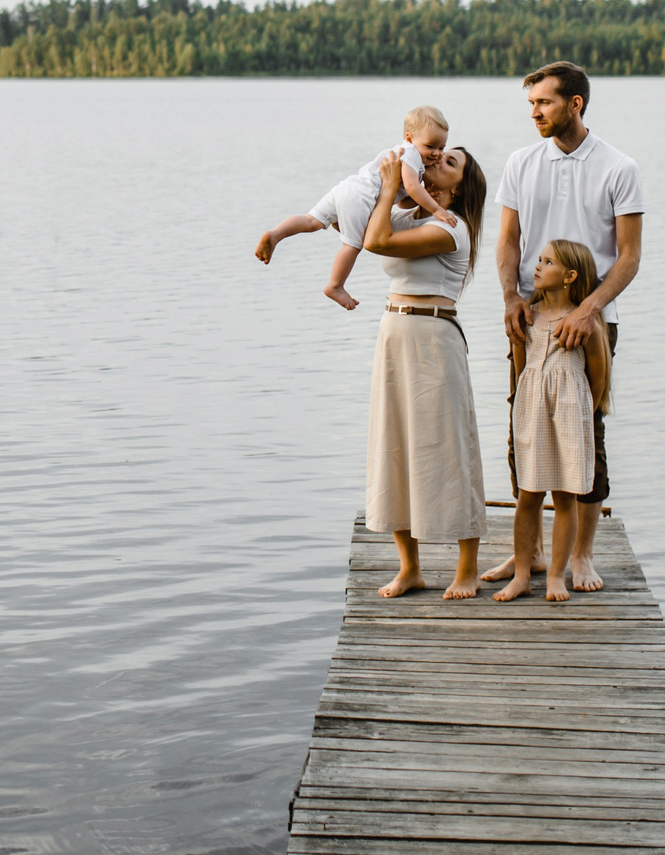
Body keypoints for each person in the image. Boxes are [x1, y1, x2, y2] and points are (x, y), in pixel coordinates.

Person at [487, 60, 642, 594]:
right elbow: (508, 242)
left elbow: (627, 258)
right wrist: (510, 295)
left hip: (592, 323)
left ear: (575, 104)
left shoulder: (619, 168)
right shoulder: (520, 163)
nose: (535, 113)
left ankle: (580, 556)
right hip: (529, 321)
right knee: (522, 427)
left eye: (544, 103)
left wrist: (588, 310)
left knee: (586, 432)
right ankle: (524, 556)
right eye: (531, 104)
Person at [354, 142, 490, 599]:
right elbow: (356, 224)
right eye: (437, 155)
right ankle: (409, 567)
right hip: (393, 333)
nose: (436, 161)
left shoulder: (453, 228)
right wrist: (387, 185)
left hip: (434, 338)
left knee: (449, 448)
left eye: (449, 162)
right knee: (393, 445)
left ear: (461, 186)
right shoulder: (411, 213)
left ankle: (466, 568)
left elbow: (376, 242)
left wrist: (394, 185)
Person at [492, 240, 613, 603]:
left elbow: (598, 375)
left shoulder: (584, 322)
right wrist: (523, 408)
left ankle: (557, 575)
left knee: (564, 498)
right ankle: (524, 574)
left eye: (548, 262)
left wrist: (577, 408)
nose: (538, 266)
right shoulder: (526, 315)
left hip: (569, 415)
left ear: (570, 276)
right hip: (531, 412)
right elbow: (519, 366)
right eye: (539, 260)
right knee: (527, 495)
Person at [254, 106, 450, 309]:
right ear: (409, 138)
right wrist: (437, 209)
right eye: (431, 146)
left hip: (348, 188)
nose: (437, 153)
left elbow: (402, 200)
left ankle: (276, 234)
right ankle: (335, 285)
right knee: (352, 246)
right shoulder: (410, 155)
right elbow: (411, 186)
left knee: (311, 220)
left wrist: (423, 198)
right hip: (362, 197)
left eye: (442, 148)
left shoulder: (408, 155)